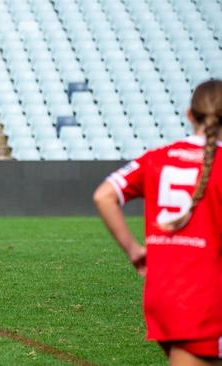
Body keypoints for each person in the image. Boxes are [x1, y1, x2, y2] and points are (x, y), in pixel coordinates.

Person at [93, 80, 222, 364]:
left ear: (190, 115)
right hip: (203, 298)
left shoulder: (156, 158)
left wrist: (133, 250)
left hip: (162, 295)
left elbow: (104, 195)